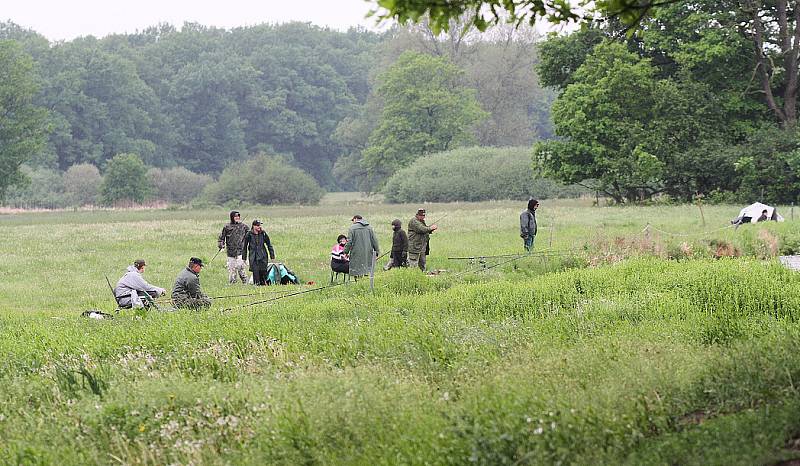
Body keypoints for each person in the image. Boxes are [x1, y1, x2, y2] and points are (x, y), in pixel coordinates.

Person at [217, 210, 249, 284]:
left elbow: (250, 235)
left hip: (241, 251)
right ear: (232, 217)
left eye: (238, 216)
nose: (237, 217)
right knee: (232, 269)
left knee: (241, 267)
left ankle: (245, 282)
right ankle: (232, 283)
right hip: (231, 252)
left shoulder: (244, 226)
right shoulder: (227, 227)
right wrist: (221, 245)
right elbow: (221, 238)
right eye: (235, 216)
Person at [242, 219, 275, 286]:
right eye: (257, 225)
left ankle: (264, 287)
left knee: (263, 274)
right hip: (253, 257)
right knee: (256, 275)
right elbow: (244, 246)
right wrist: (244, 258)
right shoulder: (249, 234)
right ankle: (257, 287)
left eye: (260, 225)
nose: (259, 227)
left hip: (263, 256)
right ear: (253, 226)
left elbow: (269, 244)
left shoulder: (263, 233)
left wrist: (272, 256)